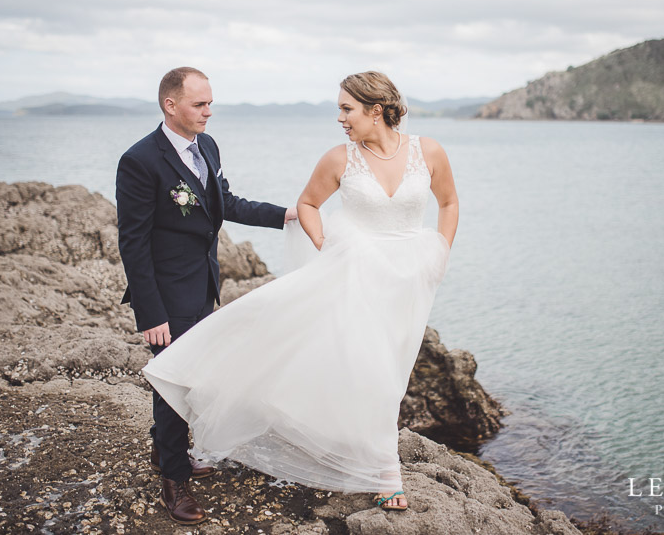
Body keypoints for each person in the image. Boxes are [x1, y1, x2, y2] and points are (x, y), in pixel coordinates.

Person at [142, 70, 458, 512]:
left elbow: (448, 203)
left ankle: (171, 445)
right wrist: (332, 249)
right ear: (171, 105)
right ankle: (387, 470)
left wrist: (439, 252)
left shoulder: (429, 151)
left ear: (376, 110)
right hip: (350, 277)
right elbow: (307, 203)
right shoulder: (338, 159)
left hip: (410, 278)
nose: (341, 118)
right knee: (376, 370)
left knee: (394, 368)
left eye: (347, 109)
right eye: (202, 104)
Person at [116, 66, 296, 525]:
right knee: (172, 382)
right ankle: (174, 481)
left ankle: (164, 452)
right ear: (170, 105)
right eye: (199, 104)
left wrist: (287, 215)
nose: (208, 112)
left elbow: (226, 203)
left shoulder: (208, 147)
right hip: (165, 295)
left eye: (210, 103)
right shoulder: (140, 160)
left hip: (205, 285)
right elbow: (132, 243)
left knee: (192, 377)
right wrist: (149, 313)